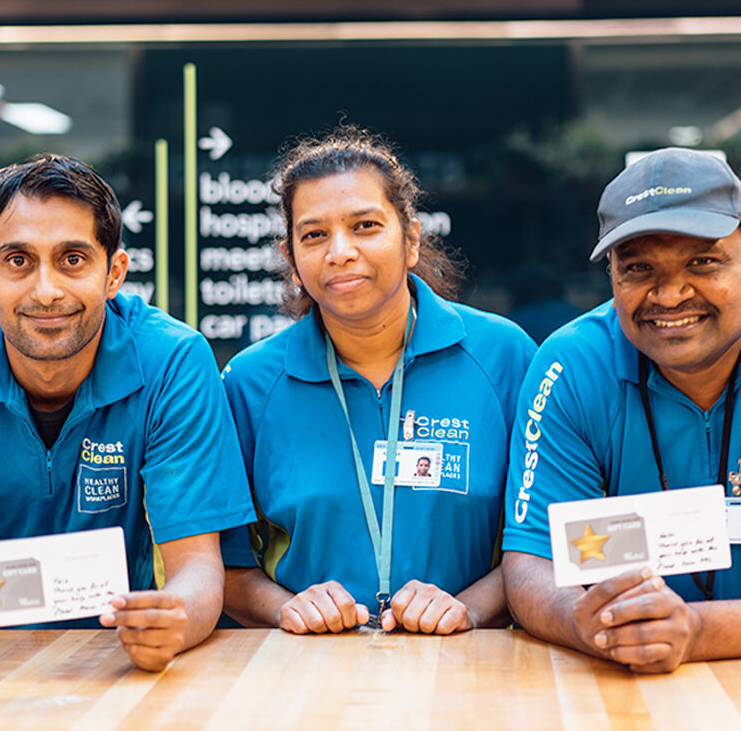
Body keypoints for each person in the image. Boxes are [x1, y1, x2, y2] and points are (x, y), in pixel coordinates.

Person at [0, 154, 256, 675]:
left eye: (72, 259)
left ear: (115, 273)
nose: (46, 290)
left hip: (123, 663)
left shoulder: (172, 362)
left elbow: (198, 570)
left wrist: (175, 622)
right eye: (18, 260)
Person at [502, 147, 741, 673]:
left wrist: (695, 630)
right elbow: (532, 561)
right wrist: (583, 623)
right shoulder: (571, 366)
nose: (670, 295)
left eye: (702, 262)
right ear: (612, 275)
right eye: (639, 268)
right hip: (619, 678)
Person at [220, 127, 536, 635]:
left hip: (470, 662)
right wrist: (286, 608)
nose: (340, 251)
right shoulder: (249, 384)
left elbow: (544, 537)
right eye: (314, 235)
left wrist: (470, 609)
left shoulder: (505, 357)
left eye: (365, 226)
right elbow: (224, 564)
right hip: (308, 666)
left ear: (411, 239)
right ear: (292, 260)